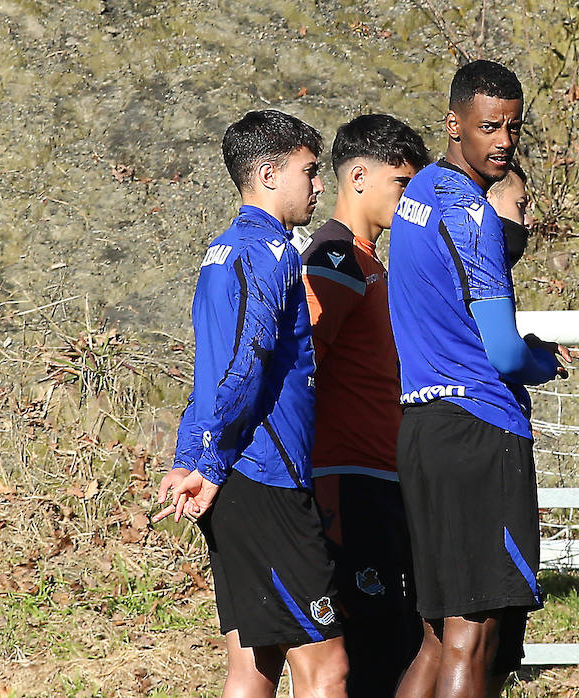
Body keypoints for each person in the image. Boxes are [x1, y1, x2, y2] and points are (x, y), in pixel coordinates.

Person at [387, 60, 568, 698]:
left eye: (513, 129)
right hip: (478, 430)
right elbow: (504, 353)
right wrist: (544, 360)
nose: (502, 142)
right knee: (474, 636)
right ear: (453, 123)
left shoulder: (417, 191)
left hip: (422, 429)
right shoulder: (472, 215)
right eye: (489, 126)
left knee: (438, 636)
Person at [154, 109, 347, 697]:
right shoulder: (269, 251)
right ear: (268, 174)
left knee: (254, 661)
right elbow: (245, 365)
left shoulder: (221, 250)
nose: (319, 186)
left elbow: (209, 374)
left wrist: (195, 456)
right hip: (266, 478)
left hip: (235, 476)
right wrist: (207, 462)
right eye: (309, 172)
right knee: (326, 664)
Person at [297, 113, 431, 697]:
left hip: (381, 473)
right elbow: (305, 361)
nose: (408, 198)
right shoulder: (336, 257)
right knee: (373, 650)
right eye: (401, 183)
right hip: (347, 477)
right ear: (357, 176)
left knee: (397, 640)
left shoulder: (373, 261)